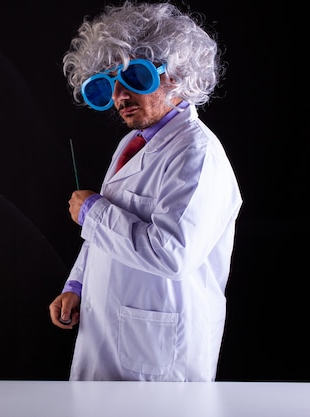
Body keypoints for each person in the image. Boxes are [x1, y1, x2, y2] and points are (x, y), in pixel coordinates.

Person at [48, 1, 242, 382]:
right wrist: (78, 284)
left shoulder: (197, 154)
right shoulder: (133, 143)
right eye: (109, 84)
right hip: (108, 329)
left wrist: (93, 212)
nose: (120, 97)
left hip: (159, 351)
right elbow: (104, 233)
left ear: (179, 75)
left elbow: (173, 254)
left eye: (136, 78)